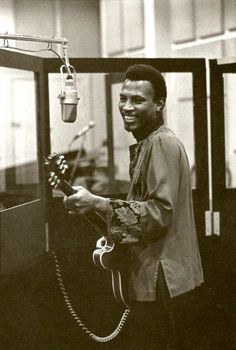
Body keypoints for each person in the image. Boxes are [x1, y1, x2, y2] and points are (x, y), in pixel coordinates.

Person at [63, 64, 204, 350]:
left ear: (159, 104)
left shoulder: (161, 143)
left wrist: (97, 202)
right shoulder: (150, 142)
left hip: (161, 280)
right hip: (158, 277)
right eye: (123, 98)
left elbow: (158, 214)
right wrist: (94, 207)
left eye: (138, 100)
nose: (127, 106)